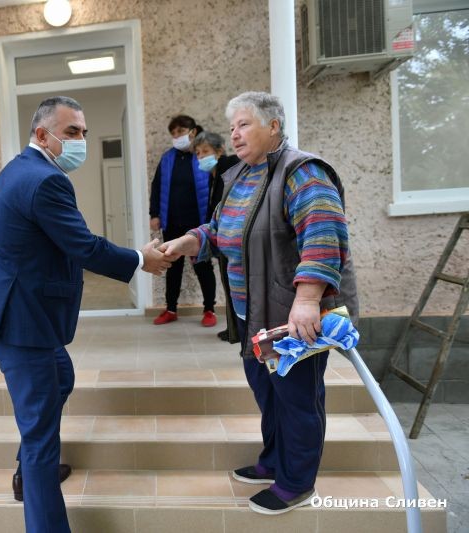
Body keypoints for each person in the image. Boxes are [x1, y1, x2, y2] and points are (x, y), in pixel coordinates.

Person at [0, 96, 170, 532]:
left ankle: (30, 470)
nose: (81, 140)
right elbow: (84, 246)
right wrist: (141, 259)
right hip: (19, 322)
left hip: (11, 311)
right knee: (41, 435)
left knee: (62, 376)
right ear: (42, 135)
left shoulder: (21, 169)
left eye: (83, 132)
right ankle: (39, 499)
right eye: (72, 132)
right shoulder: (45, 181)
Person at [160, 91, 359, 515]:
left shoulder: (302, 172)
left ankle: (296, 482)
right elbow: (219, 230)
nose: (234, 134)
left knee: (297, 399)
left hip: (290, 316)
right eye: (231, 126)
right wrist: (187, 241)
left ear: (273, 126)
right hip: (253, 315)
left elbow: (323, 237)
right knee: (268, 393)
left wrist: (308, 299)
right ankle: (273, 461)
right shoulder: (240, 176)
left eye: (244, 124)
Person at [149, 115, 218, 327]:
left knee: (203, 267)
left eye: (180, 131)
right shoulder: (167, 158)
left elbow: (216, 187)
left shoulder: (203, 157)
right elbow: (156, 186)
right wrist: (154, 214)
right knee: (172, 267)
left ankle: (209, 310)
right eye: (173, 133)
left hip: (198, 224)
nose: (177, 136)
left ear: (193, 131)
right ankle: (171, 309)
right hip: (172, 222)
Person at [191, 131, 241, 343]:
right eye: (198, 153)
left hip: (232, 237)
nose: (201, 156)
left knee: (234, 286)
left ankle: (237, 330)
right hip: (222, 237)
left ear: (219, 151)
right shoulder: (214, 174)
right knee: (228, 284)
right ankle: (233, 328)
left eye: (205, 151)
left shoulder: (229, 166)